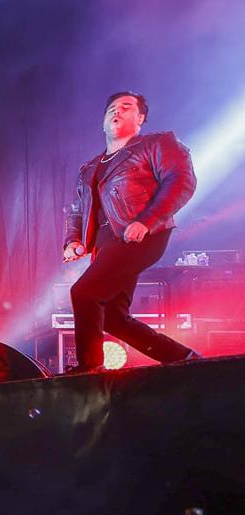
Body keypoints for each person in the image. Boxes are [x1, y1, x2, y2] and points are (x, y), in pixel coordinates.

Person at [62, 91, 199, 373]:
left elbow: (181, 180)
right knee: (113, 317)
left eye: (126, 107)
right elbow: (76, 209)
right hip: (105, 245)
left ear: (140, 118)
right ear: (103, 121)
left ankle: (89, 370)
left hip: (142, 234)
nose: (117, 111)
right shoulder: (89, 168)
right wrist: (73, 240)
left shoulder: (157, 143)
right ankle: (185, 360)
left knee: (84, 293)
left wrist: (147, 220)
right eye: (112, 108)